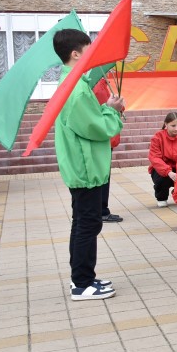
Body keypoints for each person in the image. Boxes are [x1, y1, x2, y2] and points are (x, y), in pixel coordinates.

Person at [53, 29, 124, 301]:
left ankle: (82, 278)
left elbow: (90, 120)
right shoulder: (76, 89)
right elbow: (97, 127)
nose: (92, 53)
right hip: (85, 168)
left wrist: (106, 107)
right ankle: (81, 283)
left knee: (83, 222)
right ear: (75, 53)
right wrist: (113, 111)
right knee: (88, 224)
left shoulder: (73, 83)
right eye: (88, 48)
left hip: (82, 167)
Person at [92, 77, 124, 223]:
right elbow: (105, 110)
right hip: (105, 138)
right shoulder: (98, 86)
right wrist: (116, 108)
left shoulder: (102, 84)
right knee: (103, 176)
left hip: (107, 138)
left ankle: (101, 209)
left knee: (104, 175)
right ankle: (101, 210)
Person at [148, 112, 177, 207]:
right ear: (166, 124)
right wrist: (168, 172)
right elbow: (155, 158)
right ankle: (162, 197)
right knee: (161, 178)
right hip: (162, 168)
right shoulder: (158, 137)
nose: (176, 129)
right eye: (173, 126)